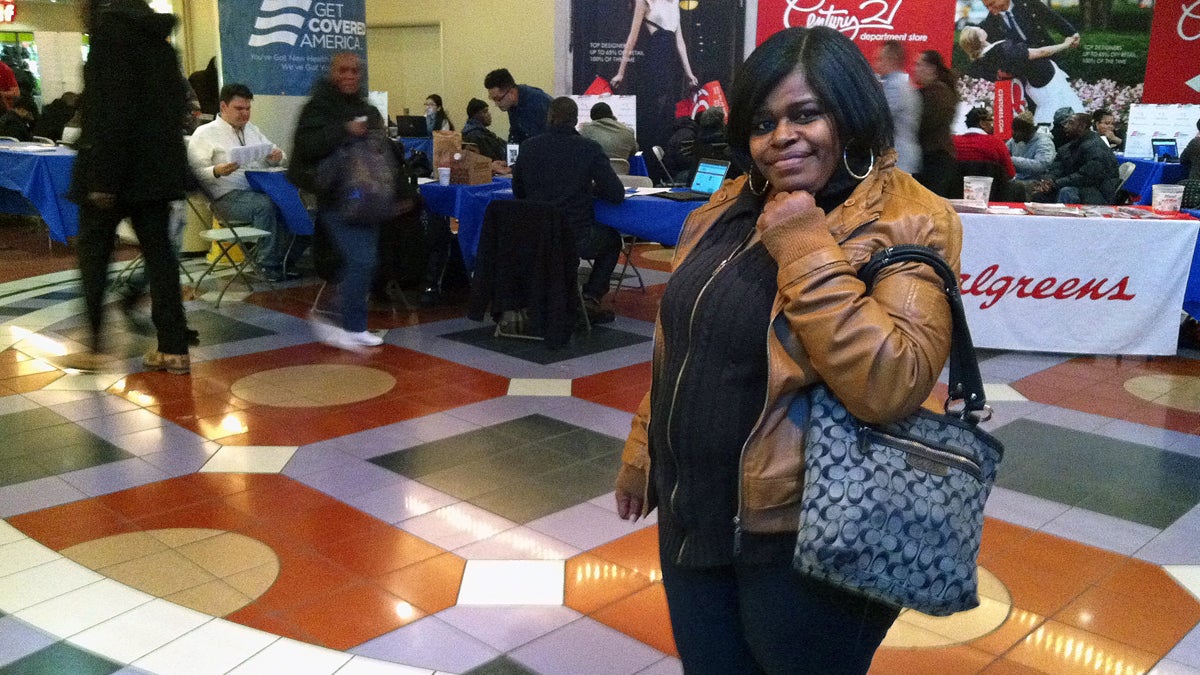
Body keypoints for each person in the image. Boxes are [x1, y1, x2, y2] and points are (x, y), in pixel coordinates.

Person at [614, 25, 961, 674]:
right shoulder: (725, 204)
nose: (782, 137)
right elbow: (683, 343)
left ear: (851, 114)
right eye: (763, 121)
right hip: (695, 511)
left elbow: (892, 383)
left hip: (808, 536)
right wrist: (642, 450)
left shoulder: (913, 217)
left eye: (806, 114)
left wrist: (806, 247)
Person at [65, 0, 194, 374]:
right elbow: (174, 104)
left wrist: (103, 178)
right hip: (154, 172)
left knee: (94, 256)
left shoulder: (110, 37)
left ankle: (94, 345)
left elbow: (111, 110)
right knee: (161, 257)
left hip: (114, 169)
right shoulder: (161, 42)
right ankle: (174, 348)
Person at [289, 52, 389, 350]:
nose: (349, 76)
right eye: (343, 70)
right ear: (333, 74)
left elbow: (381, 150)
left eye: (355, 71)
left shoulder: (366, 109)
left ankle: (345, 320)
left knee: (365, 261)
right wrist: (344, 130)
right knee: (361, 259)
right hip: (334, 195)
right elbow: (307, 146)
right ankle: (343, 320)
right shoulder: (316, 109)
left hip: (366, 197)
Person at [512, 96, 625, 324]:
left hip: (536, 235)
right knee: (612, 240)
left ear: (550, 117)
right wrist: (591, 190)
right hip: (575, 235)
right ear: (575, 120)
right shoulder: (589, 149)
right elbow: (615, 193)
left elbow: (519, 192)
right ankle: (591, 298)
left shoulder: (528, 147)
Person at [188, 83, 295, 280]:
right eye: (239, 109)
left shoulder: (252, 130)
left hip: (257, 190)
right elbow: (192, 173)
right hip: (223, 198)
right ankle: (266, 265)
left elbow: (280, 154)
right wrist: (216, 171)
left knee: (291, 203)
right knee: (266, 205)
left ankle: (285, 259)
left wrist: (277, 157)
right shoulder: (205, 133)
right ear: (223, 107)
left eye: (248, 109)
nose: (245, 114)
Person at [610, 0, 699, 159]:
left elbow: (680, 41)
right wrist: (620, 72)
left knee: (668, 112)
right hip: (655, 60)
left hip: (671, 64)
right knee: (655, 110)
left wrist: (689, 73)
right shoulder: (645, 2)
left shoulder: (674, 3)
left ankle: (663, 158)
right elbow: (632, 37)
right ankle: (651, 158)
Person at [958, 26, 1082, 125]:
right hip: (1047, 82)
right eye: (977, 30)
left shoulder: (985, 59)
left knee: (1053, 111)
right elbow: (1042, 52)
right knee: (1065, 110)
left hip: (1034, 85)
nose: (980, 28)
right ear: (979, 39)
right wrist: (1066, 44)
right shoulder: (1002, 49)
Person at [1031, 112, 1121, 204]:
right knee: (1039, 191)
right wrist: (1048, 180)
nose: (1065, 126)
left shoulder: (1096, 147)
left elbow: (1086, 177)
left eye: (1070, 123)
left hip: (1097, 193)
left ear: (1082, 126)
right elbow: (1057, 167)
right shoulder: (1070, 145)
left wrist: (1055, 183)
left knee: (1067, 192)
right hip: (1078, 186)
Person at [913, 49, 959, 197]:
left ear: (931, 68)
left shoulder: (937, 93)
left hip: (935, 160)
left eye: (919, 65)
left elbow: (924, 124)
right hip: (935, 157)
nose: (915, 69)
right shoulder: (939, 91)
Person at [873, 40, 922, 174]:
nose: (875, 65)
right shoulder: (905, 85)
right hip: (902, 158)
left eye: (879, 59)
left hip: (898, 160)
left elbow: (878, 117)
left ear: (891, 60)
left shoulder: (895, 87)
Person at [483, 68, 552, 145]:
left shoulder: (538, 103)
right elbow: (515, 134)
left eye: (497, 99)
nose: (496, 104)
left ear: (511, 92)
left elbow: (543, 142)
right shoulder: (512, 104)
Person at [980, 0, 1079, 51]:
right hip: (1022, 71)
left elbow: (1051, 17)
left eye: (992, 3)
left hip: (1049, 57)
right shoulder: (990, 22)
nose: (990, 9)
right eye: (986, 6)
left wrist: (1071, 33)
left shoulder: (1028, 2)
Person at [952, 107, 1015, 178]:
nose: (992, 124)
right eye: (991, 120)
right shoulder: (996, 142)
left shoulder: (952, 142)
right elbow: (1010, 174)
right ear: (982, 123)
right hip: (991, 187)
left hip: (958, 187)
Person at [1007, 109, 1056, 185]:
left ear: (1027, 131)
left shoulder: (1044, 142)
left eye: (1017, 130)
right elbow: (1003, 152)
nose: (1013, 133)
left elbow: (1041, 166)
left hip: (1037, 182)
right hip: (1017, 179)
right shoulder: (1014, 140)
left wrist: (1012, 160)